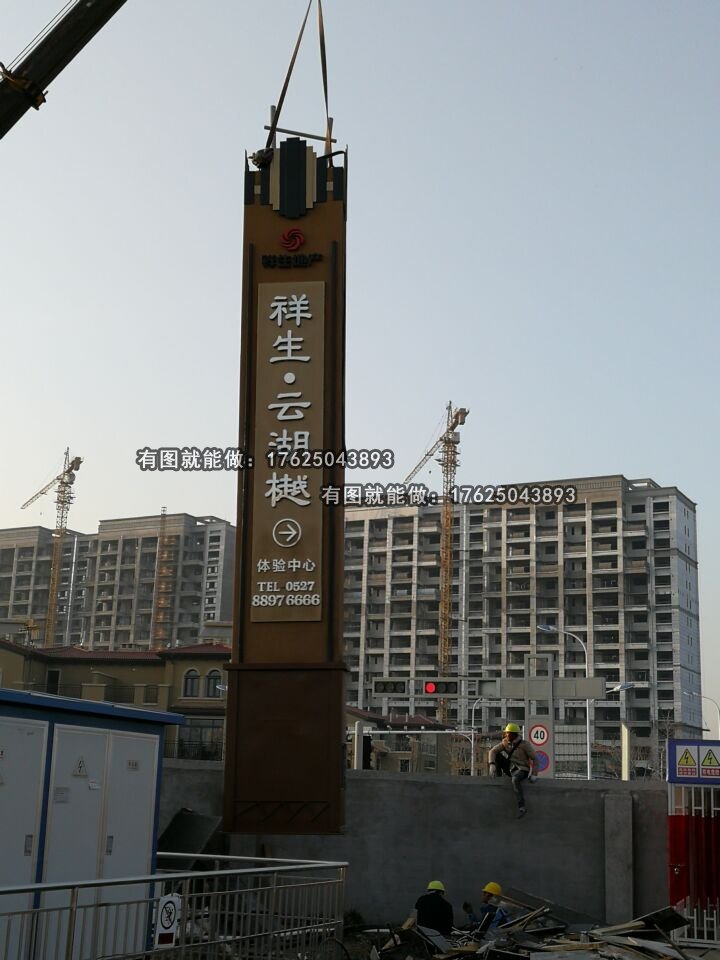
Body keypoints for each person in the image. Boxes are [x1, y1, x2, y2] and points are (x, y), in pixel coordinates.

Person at [488, 723, 537, 818]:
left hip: (522, 769)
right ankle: (498, 778)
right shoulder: (505, 742)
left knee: (515, 779)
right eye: (506, 733)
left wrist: (534, 774)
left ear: (514, 734)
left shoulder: (524, 745)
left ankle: (521, 806)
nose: (506, 735)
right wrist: (492, 764)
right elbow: (492, 751)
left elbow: (535, 759)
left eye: (509, 733)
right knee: (497, 755)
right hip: (511, 768)